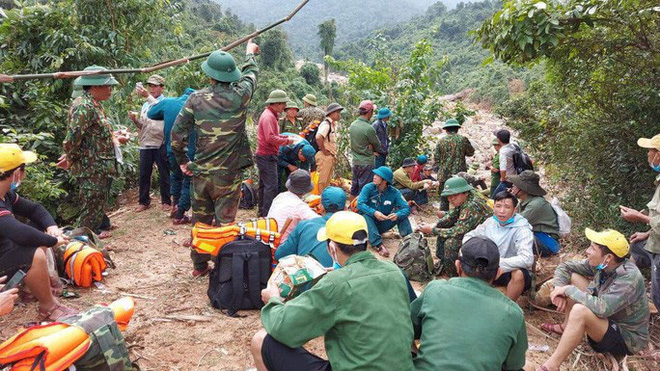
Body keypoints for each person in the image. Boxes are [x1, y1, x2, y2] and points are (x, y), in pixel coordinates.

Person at [251, 211, 415, 371]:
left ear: (332, 248)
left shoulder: (335, 284)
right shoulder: (394, 271)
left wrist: (273, 300)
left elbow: (283, 328)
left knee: (261, 340)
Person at [171, 40, 260, 277]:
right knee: (226, 223)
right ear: (231, 76)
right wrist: (250, 54)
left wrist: (183, 161)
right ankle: (226, 267)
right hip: (228, 175)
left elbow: (176, 135)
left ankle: (199, 266)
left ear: (210, 76)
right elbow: (251, 76)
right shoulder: (240, 96)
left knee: (200, 222)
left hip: (201, 173)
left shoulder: (195, 100)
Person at [538, 229, 649, 371]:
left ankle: (551, 366)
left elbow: (602, 309)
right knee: (574, 276)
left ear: (608, 257)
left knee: (580, 310)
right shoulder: (603, 265)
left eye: (592, 248)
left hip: (626, 338)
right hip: (608, 318)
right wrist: (559, 288)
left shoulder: (629, 277)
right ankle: (566, 326)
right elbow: (565, 267)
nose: (587, 251)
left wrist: (567, 290)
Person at [411, 237, 528, 370]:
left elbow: (406, 329)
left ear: (458, 266)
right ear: (498, 273)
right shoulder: (513, 313)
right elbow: (514, 364)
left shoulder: (435, 289)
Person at [0, 144, 77, 321]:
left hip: (4, 248)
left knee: (38, 229)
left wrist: (52, 228)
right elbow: (20, 233)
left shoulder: (6, 195)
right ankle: (48, 307)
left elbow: (35, 210)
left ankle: (31, 287)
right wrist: (53, 240)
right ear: (17, 173)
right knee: (34, 252)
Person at [62, 65, 124, 238]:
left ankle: (90, 245)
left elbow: (95, 135)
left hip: (99, 167)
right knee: (89, 211)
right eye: (108, 86)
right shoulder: (84, 106)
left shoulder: (94, 105)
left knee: (96, 210)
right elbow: (73, 138)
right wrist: (71, 159)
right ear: (95, 86)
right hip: (90, 169)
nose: (110, 90)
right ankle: (77, 246)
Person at [463, 191, 534, 301]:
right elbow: (470, 236)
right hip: (489, 267)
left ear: (515, 210)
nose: (501, 211)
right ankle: (468, 299)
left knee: (518, 274)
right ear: (493, 207)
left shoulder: (522, 229)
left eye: (507, 207)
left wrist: (497, 262)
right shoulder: (490, 222)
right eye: (498, 206)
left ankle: (508, 306)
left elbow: (527, 259)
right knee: (465, 260)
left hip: (506, 270)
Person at [418, 177, 491, 276]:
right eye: (449, 196)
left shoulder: (472, 205)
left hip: (485, 240)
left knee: (451, 243)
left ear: (465, 192)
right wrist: (435, 225)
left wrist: (433, 230)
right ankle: (445, 264)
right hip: (473, 233)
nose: (451, 199)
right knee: (443, 232)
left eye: (455, 195)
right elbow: (450, 217)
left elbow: (458, 231)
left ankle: (453, 275)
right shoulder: (465, 200)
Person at [622, 133, 660, 311]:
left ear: (658, 155)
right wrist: (647, 232)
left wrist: (640, 217)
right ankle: (626, 290)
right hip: (655, 241)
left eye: (650, 151)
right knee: (635, 248)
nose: (648, 155)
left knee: (658, 297)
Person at [148, 88, 196, 224]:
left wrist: (167, 115)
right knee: (189, 179)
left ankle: (175, 206)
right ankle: (180, 214)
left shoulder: (168, 102)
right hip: (189, 150)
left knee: (175, 176)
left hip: (172, 149)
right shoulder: (197, 105)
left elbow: (151, 113)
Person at [275, 187, 347, 267]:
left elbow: (279, 255)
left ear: (321, 207)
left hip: (307, 277)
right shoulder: (352, 230)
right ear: (345, 209)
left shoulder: (303, 226)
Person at [129, 74, 170, 212]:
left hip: (160, 142)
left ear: (162, 88)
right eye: (150, 86)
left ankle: (166, 200)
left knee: (164, 172)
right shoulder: (146, 105)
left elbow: (159, 109)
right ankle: (144, 201)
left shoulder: (164, 102)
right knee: (144, 173)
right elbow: (144, 125)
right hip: (146, 142)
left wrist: (147, 96)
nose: (151, 89)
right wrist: (135, 120)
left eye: (154, 86)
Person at [255, 90, 296, 217]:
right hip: (267, 155)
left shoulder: (271, 115)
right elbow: (270, 138)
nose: (285, 106)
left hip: (265, 154)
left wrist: (284, 138)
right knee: (271, 187)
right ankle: (267, 215)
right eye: (283, 104)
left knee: (264, 185)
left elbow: (274, 135)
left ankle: (262, 212)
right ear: (276, 103)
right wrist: (287, 141)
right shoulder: (269, 117)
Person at [357, 166, 412, 258]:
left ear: (385, 180)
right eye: (375, 174)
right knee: (366, 215)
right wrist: (374, 212)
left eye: (378, 175)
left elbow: (406, 208)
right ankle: (378, 245)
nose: (374, 176)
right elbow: (360, 204)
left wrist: (397, 215)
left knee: (402, 216)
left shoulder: (394, 192)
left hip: (383, 222)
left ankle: (409, 241)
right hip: (367, 224)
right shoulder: (368, 188)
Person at [509, 170, 561, 256]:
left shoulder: (536, 205)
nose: (513, 186)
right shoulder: (524, 201)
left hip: (547, 243)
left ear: (523, 188)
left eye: (516, 184)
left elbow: (515, 223)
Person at [267, 169, 319, 242]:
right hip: (281, 244)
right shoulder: (299, 206)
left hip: (268, 238)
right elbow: (319, 222)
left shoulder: (280, 196)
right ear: (305, 191)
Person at [434, 118, 475, 211]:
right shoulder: (463, 140)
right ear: (457, 129)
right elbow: (470, 152)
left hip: (444, 174)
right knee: (462, 198)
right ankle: (462, 217)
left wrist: (443, 164)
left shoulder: (441, 141)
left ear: (446, 130)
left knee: (444, 199)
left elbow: (436, 158)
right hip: (459, 175)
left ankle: (443, 220)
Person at [349, 100, 382, 200]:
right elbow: (378, 146)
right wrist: (372, 148)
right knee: (364, 189)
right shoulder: (369, 128)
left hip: (355, 161)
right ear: (370, 112)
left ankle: (351, 208)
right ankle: (360, 210)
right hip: (367, 162)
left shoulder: (353, 125)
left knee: (354, 187)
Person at [315, 103, 343, 193]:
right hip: (325, 156)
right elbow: (318, 137)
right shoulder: (326, 124)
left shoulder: (332, 125)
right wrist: (324, 150)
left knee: (326, 181)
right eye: (337, 112)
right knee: (322, 181)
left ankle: (323, 201)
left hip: (329, 156)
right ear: (332, 113)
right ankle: (318, 201)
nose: (339, 115)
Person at [492, 129, 518, 197]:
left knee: (494, 199)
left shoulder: (503, 151)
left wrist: (503, 180)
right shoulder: (513, 147)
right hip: (516, 178)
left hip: (507, 180)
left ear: (498, 140)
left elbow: (503, 169)